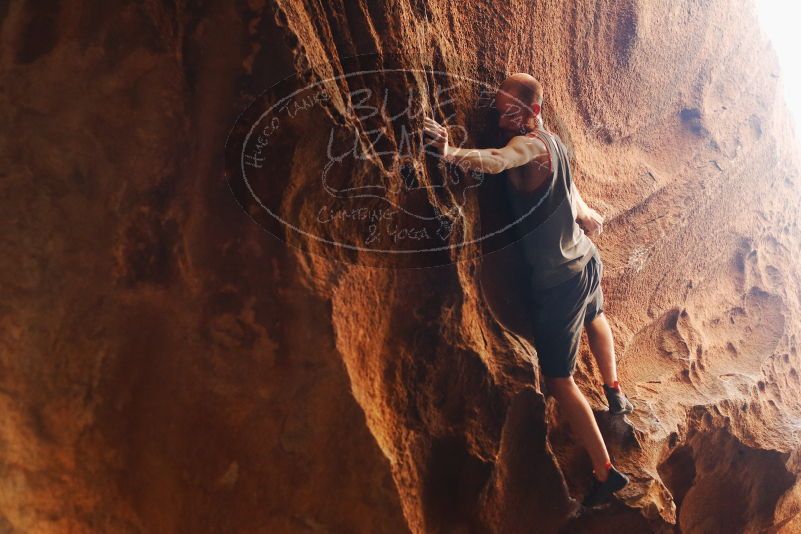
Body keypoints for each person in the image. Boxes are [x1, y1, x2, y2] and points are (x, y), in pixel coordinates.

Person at [423, 72, 635, 508]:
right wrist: (588, 215)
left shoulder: (529, 145)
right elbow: (571, 190)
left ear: (531, 111)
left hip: (560, 280)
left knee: (560, 380)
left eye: (506, 112)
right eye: (498, 111)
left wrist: (448, 152)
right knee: (596, 315)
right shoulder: (552, 141)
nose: (499, 121)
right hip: (586, 257)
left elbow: (497, 161)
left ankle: (606, 472)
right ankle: (615, 393)